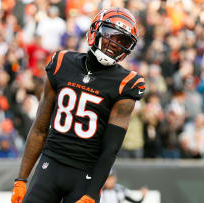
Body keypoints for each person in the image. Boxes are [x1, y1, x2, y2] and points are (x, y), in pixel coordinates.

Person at [11, 8, 145, 203]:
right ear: (95, 31)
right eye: (110, 35)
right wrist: (21, 179)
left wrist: (92, 193)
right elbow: (40, 128)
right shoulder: (61, 62)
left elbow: (110, 148)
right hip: (50, 164)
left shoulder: (126, 83)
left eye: (122, 41)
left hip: (85, 174)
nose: (114, 44)